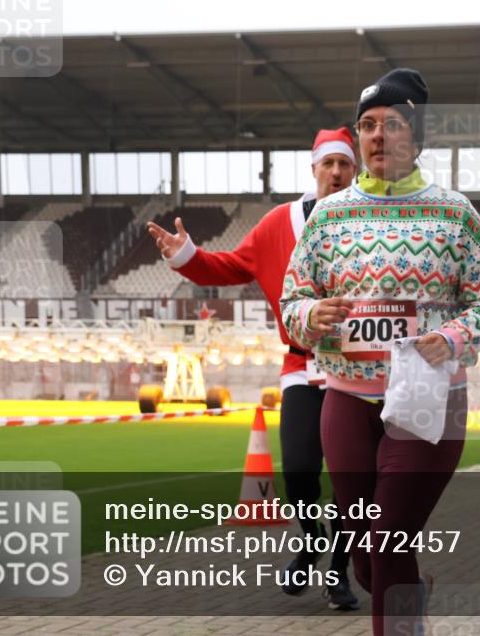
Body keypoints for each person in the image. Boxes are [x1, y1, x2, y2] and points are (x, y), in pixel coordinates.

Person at [280, 67, 480, 636]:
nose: (378, 135)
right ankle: (409, 597)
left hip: (429, 400)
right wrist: (312, 315)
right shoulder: (327, 216)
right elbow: (292, 301)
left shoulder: (455, 213)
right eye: (367, 125)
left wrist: (452, 338)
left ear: (417, 136)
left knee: (386, 539)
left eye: (393, 123)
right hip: (346, 401)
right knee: (367, 556)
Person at [146, 127, 360, 611]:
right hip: (302, 366)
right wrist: (185, 254)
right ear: (314, 169)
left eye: (345, 164)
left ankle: (339, 571)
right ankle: (311, 539)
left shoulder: (371, 224)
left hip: (357, 370)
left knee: (351, 481)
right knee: (300, 471)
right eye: (328, 163)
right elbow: (228, 267)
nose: (336, 172)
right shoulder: (278, 223)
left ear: (355, 171)